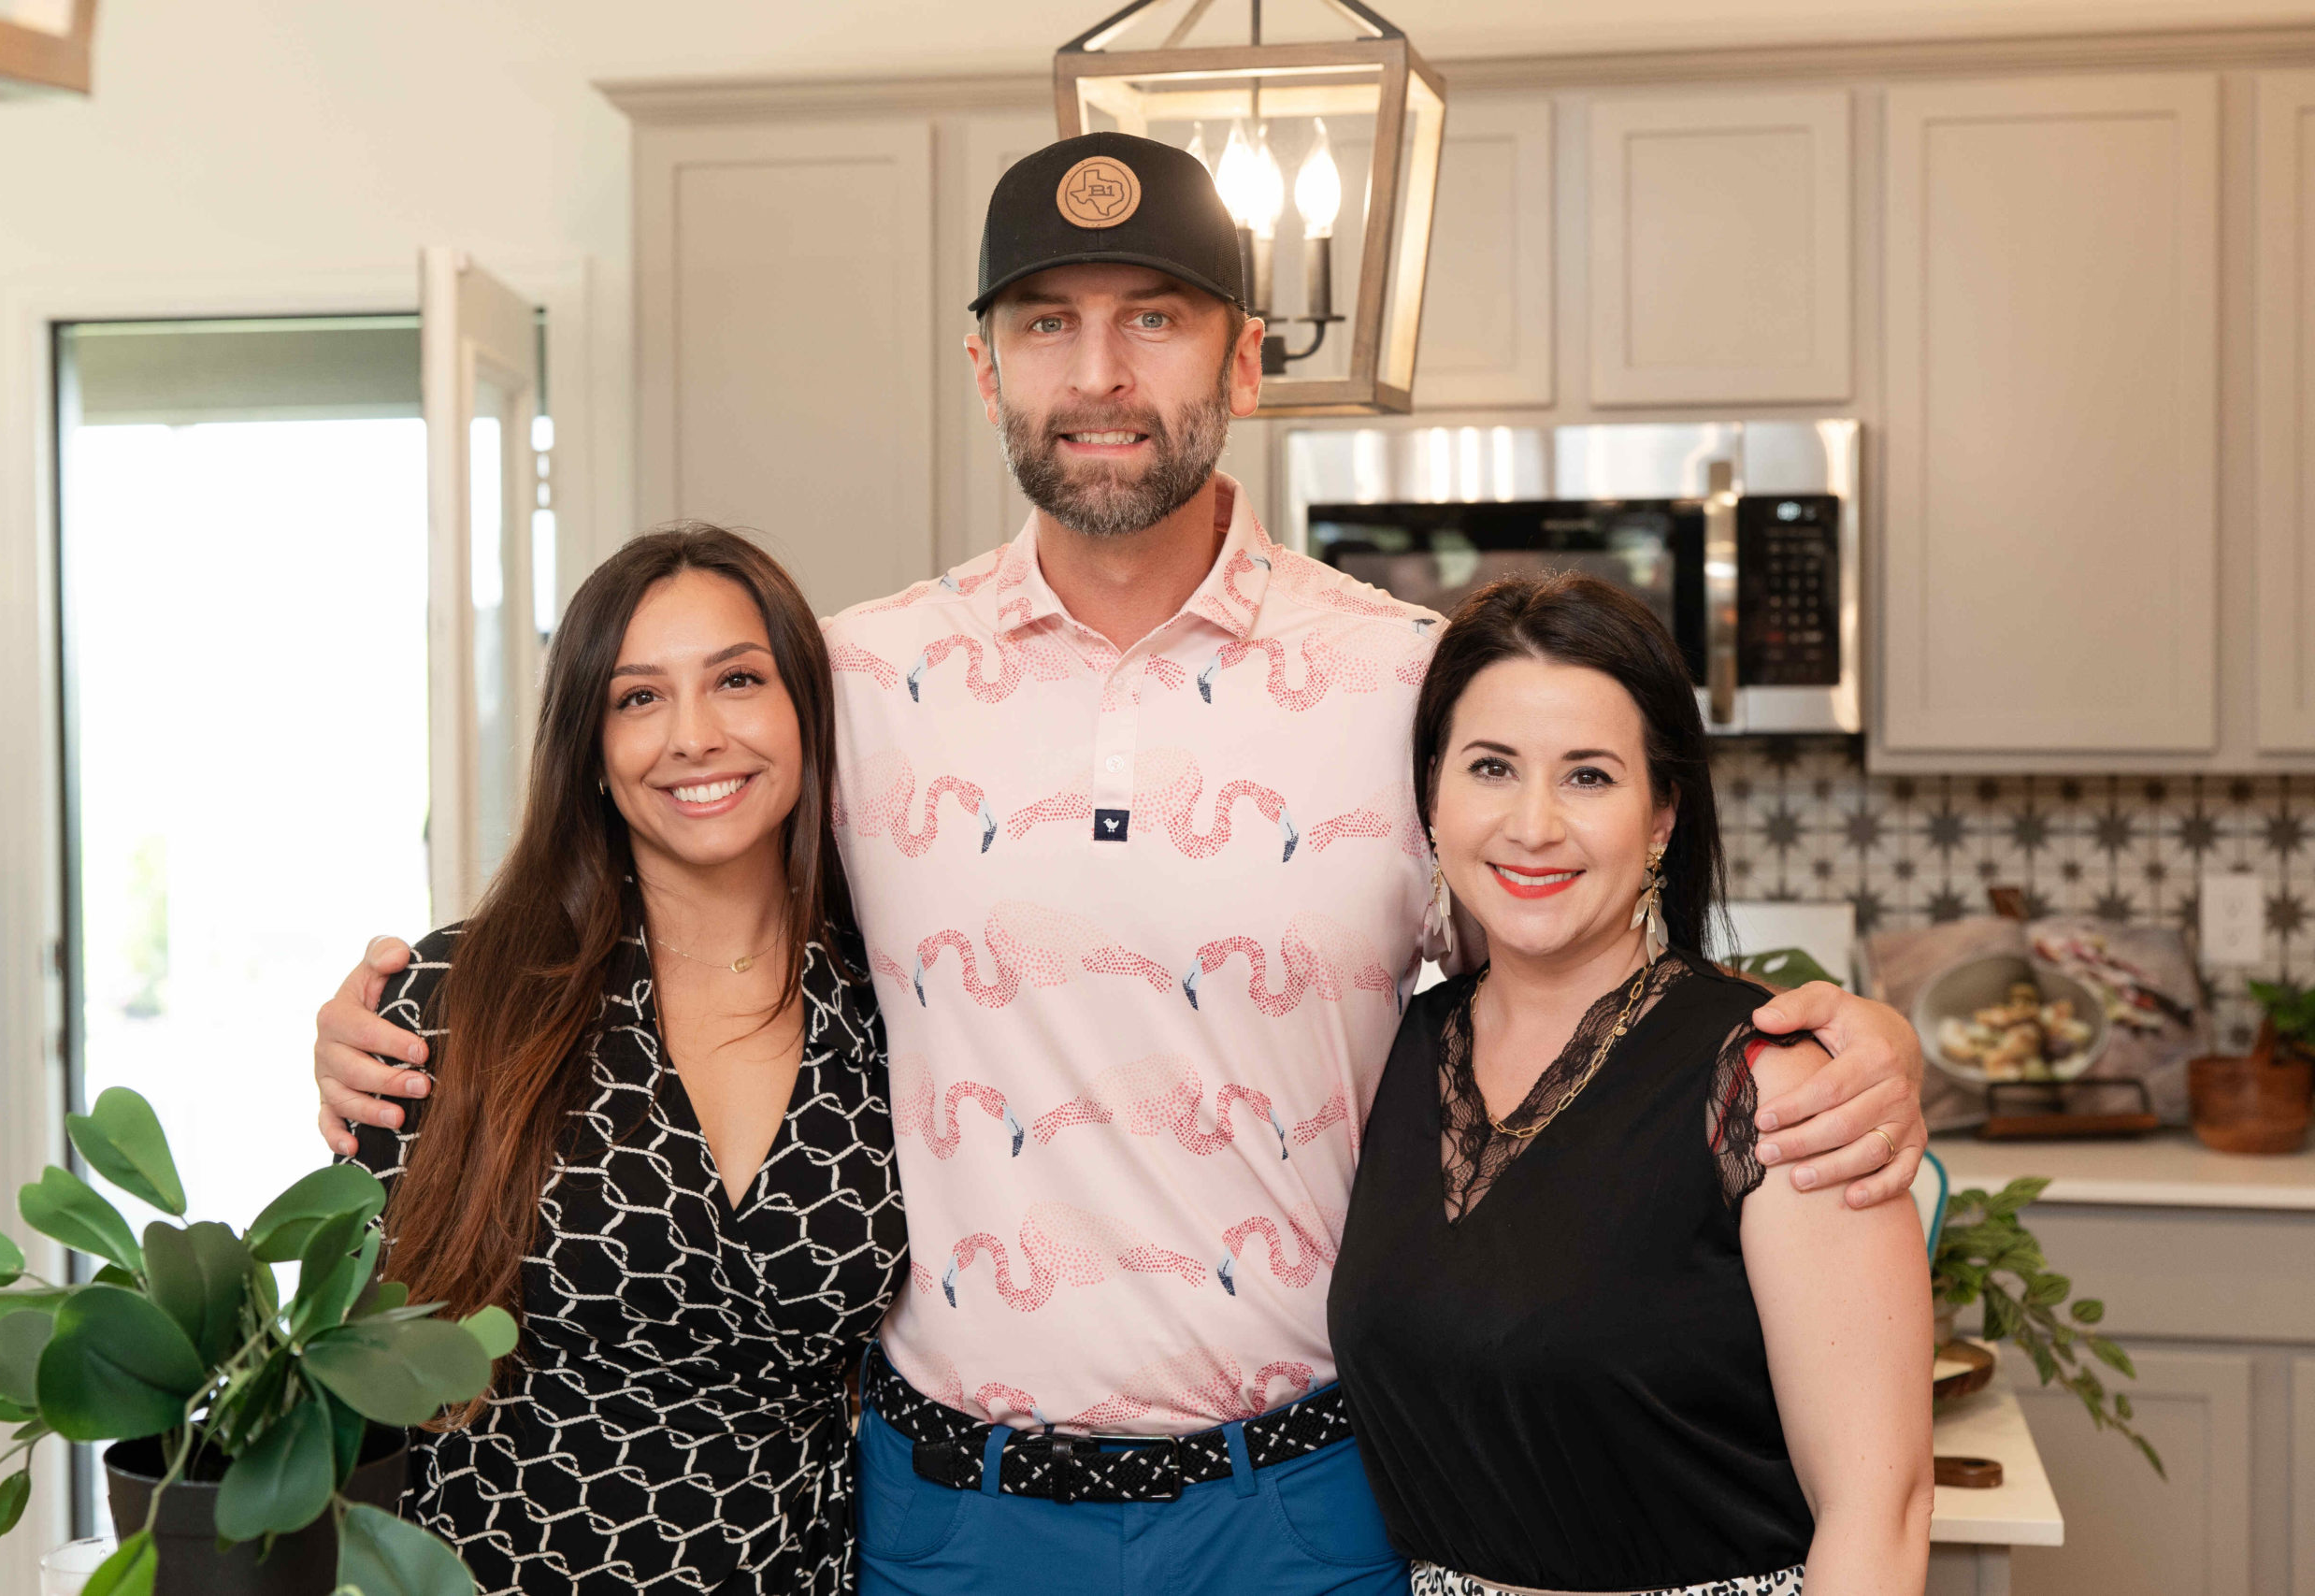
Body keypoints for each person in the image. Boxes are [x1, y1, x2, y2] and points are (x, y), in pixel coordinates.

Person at [314, 132, 1930, 1595]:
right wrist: (410, 1021)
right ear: (983, 364)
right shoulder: (856, 681)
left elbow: (1583, 970)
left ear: (1242, 353)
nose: (1100, 372)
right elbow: (674, 900)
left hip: (1305, 1505)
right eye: (1046, 325)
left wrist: (1864, 1032)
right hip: (949, 1512)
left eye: (1153, 316)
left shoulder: (1409, 684)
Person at [1330, 571, 1934, 1596]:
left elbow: (1881, 1509)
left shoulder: (1770, 1086)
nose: (1532, 826)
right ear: (1432, 793)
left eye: (1588, 778)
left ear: (1661, 818)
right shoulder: (1393, 1045)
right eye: (1491, 767)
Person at [347, 526, 906, 1595]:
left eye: (738, 680)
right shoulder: (453, 1000)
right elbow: (365, 1363)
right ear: (591, 753)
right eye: (638, 698)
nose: (694, 736)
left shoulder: (897, 1008)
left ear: (805, 712)